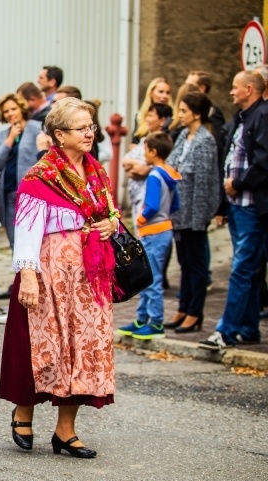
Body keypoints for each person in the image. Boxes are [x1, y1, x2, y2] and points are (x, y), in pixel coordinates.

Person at [0, 98, 119, 459]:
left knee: (84, 348)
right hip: (50, 270)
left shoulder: (96, 172)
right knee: (42, 346)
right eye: (81, 128)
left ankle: (65, 430)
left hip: (89, 275)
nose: (89, 133)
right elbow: (27, 230)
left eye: (91, 127)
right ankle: (24, 410)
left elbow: (110, 212)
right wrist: (28, 275)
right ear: (59, 135)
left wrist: (111, 223)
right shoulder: (41, 177)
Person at [200, 71, 268, 350]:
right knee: (249, 270)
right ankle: (248, 329)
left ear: (249, 89)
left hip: (252, 205)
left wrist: (238, 184)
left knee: (241, 269)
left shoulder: (262, 115)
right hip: (239, 206)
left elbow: (264, 160)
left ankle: (225, 331)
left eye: (234, 87)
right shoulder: (242, 118)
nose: (230, 92)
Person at [160, 92, 220, 334]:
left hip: (194, 214)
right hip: (179, 212)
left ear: (197, 114)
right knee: (183, 262)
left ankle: (195, 312)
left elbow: (205, 184)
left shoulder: (205, 141)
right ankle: (183, 308)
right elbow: (170, 165)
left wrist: (199, 220)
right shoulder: (184, 135)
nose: (180, 115)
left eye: (184, 110)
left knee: (196, 265)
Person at [117, 132, 180, 340]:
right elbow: (176, 203)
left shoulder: (154, 174)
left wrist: (141, 219)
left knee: (151, 278)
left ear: (153, 152)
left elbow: (151, 204)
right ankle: (142, 319)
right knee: (148, 276)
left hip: (152, 231)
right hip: (164, 229)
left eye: (145, 150)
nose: (143, 154)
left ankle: (156, 322)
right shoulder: (169, 173)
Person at [0, 93, 41, 305]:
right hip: (7, 193)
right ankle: (18, 281)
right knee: (14, 239)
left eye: (13, 109)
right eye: (6, 111)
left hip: (30, 194)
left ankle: (32, 280)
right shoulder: (3, 135)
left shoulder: (36, 128)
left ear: (21, 108)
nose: (10, 114)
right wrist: (10, 139)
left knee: (30, 238)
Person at [122, 103, 173, 231]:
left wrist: (141, 218)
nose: (147, 119)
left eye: (150, 116)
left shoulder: (164, 142)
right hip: (136, 197)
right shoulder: (144, 140)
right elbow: (126, 162)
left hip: (147, 206)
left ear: (162, 120)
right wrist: (138, 166)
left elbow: (144, 170)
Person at [132, 78, 173, 144]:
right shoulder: (140, 116)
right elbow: (134, 142)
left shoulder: (173, 118)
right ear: (151, 93)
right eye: (161, 92)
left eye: (167, 93)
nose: (164, 96)